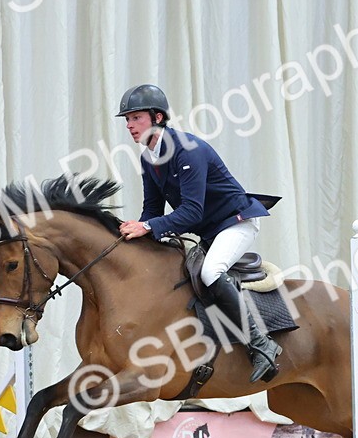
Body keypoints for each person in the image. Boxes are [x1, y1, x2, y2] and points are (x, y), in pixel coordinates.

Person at [116, 84, 281, 383]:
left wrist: (149, 227)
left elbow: (191, 211)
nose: (129, 125)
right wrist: (135, 234)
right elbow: (152, 208)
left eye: (136, 117)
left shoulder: (187, 150)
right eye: (127, 119)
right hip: (208, 229)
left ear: (157, 117)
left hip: (235, 222)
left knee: (210, 273)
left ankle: (262, 344)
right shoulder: (148, 158)